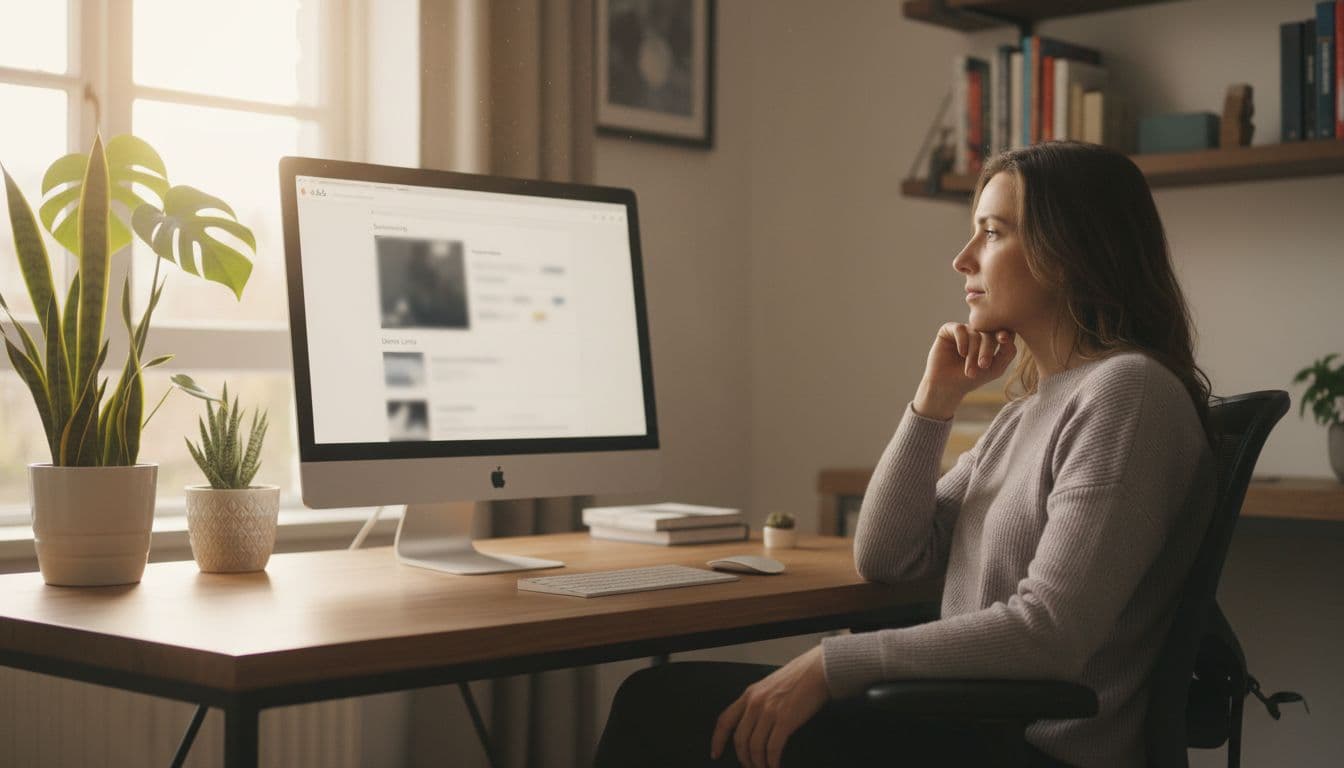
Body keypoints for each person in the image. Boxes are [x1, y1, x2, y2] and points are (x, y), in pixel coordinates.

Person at [592, 141, 1216, 768]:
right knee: (669, 701)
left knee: (663, 704)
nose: (962, 258)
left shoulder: (1127, 393)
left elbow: (1050, 634)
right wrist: (934, 400)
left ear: (1070, 253)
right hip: (964, 731)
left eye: (992, 233)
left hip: (1031, 752)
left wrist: (831, 666)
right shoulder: (1024, 414)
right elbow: (887, 555)